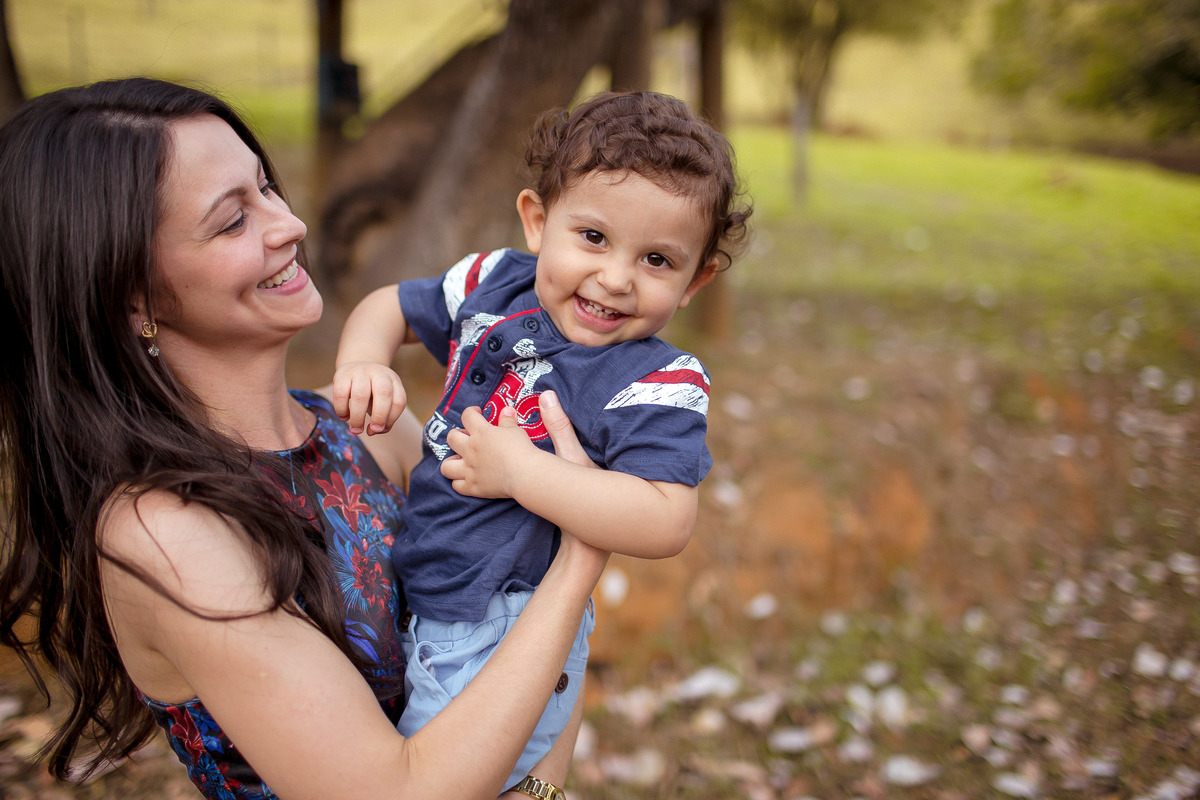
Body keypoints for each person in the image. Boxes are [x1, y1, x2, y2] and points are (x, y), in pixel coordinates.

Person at [0, 77, 608, 800]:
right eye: (232, 222)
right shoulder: (163, 533)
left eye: (266, 188)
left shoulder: (362, 432)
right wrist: (580, 561)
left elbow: (525, 609)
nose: (289, 225)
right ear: (130, 294)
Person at [333, 90, 752, 789]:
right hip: (430, 595)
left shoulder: (657, 379)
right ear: (537, 220)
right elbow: (391, 307)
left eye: (656, 260)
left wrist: (522, 473)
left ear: (694, 280)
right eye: (593, 238)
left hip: (503, 621)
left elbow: (665, 517)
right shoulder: (496, 283)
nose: (615, 278)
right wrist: (364, 362)